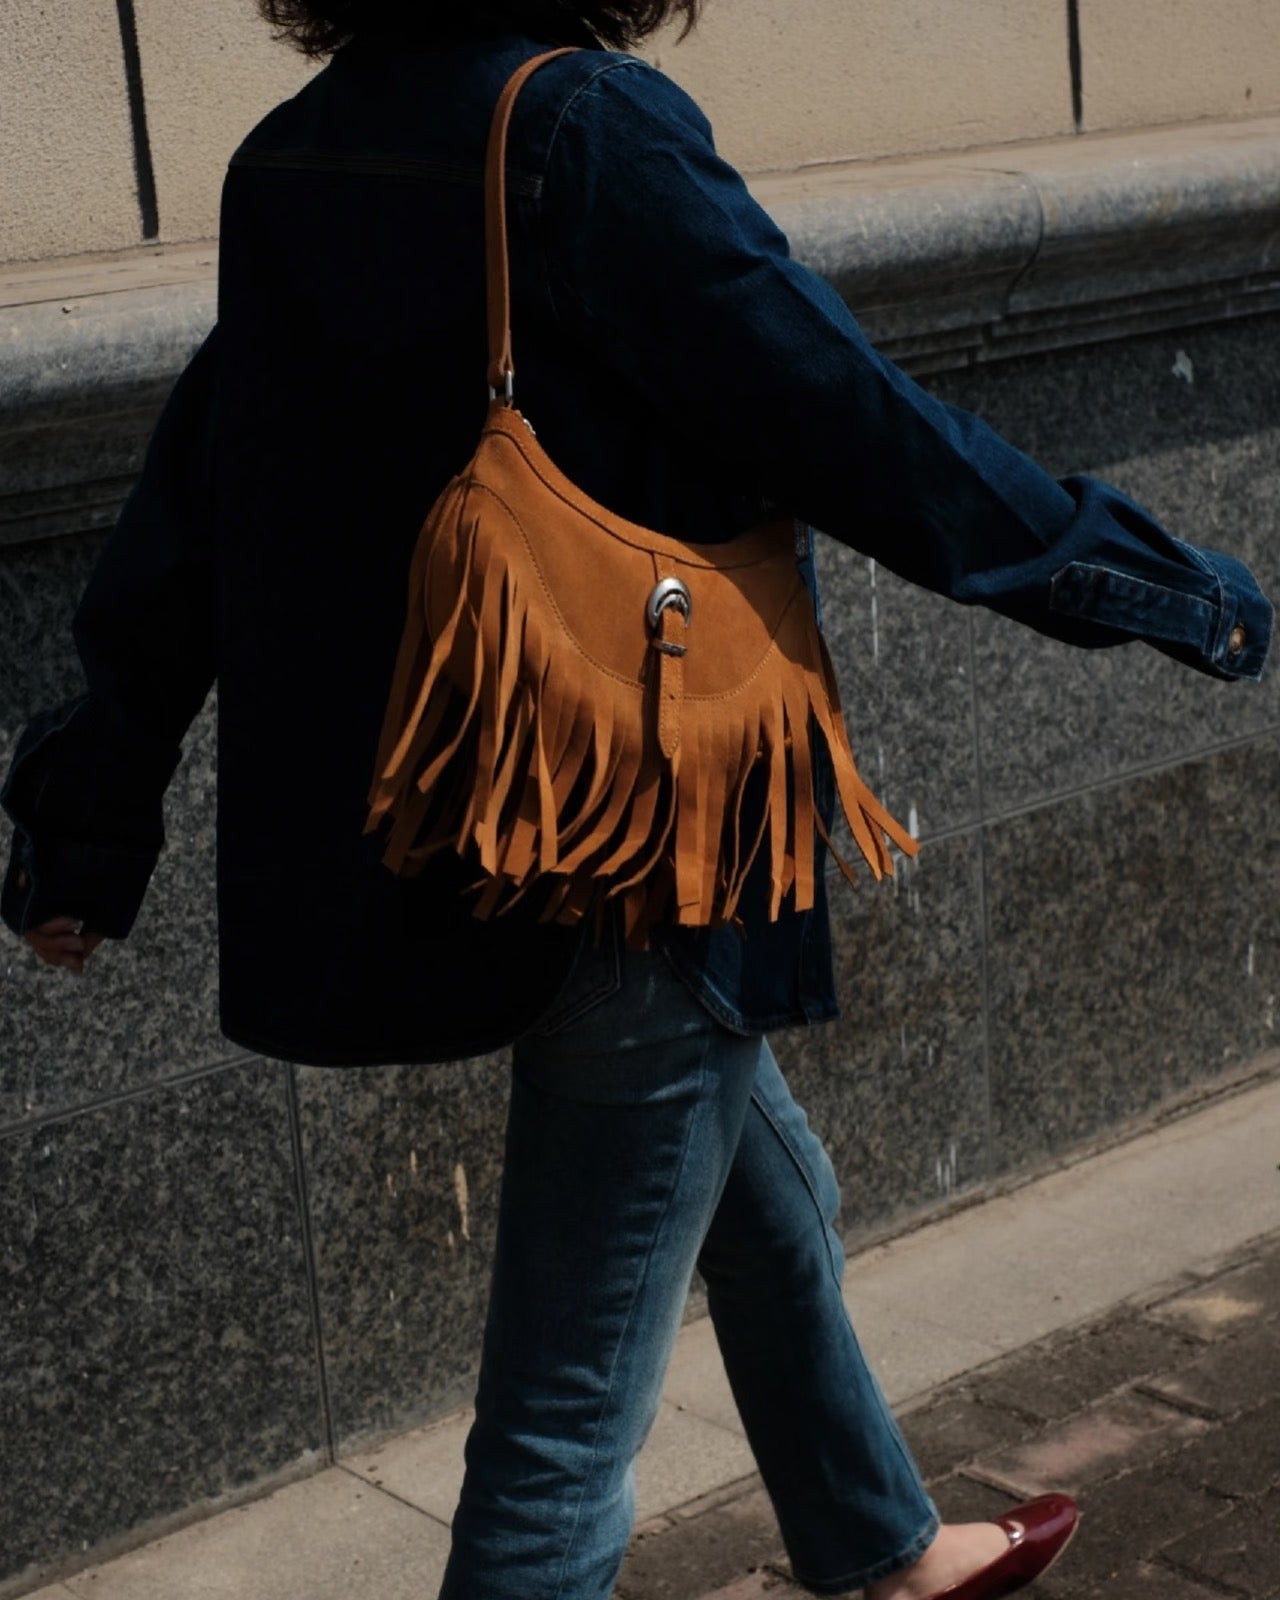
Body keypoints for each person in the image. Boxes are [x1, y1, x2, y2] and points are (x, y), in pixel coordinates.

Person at [3, 1, 1271, 1596]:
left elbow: (190, 500)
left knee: (753, 1177)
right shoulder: (587, 133)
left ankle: (884, 1550)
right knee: (555, 1447)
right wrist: (1177, 594)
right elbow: (862, 427)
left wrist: (92, 819)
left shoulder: (293, 154)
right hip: (630, 832)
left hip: (437, 829)